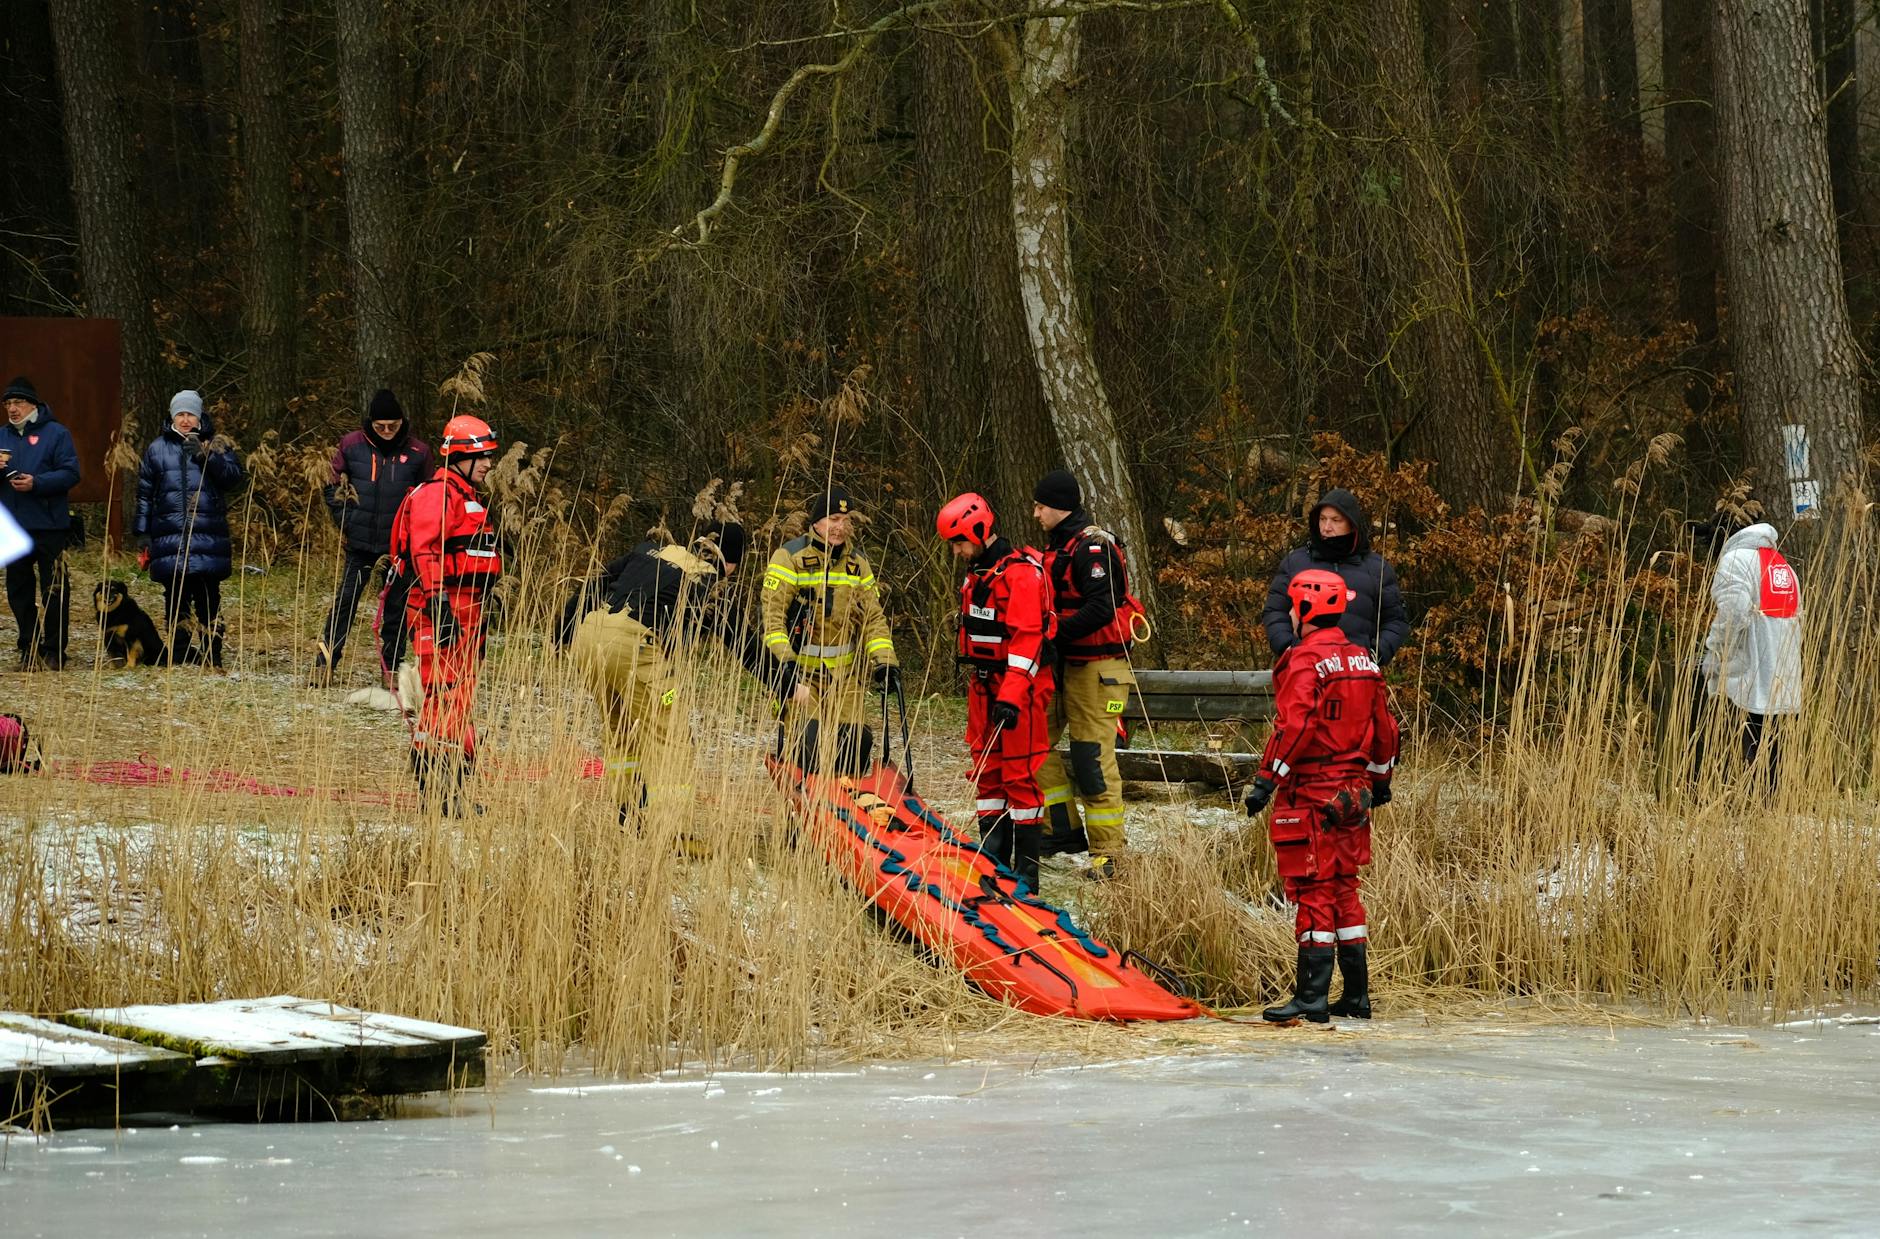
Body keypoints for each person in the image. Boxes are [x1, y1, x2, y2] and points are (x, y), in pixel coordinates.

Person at [1244, 569, 1400, 1024]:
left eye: (1294, 606)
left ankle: (1311, 998)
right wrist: (1380, 780)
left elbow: (1295, 725)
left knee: (1312, 890)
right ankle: (1355, 996)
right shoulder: (1365, 661)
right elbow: (1385, 730)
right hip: (1353, 794)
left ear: (1306, 609)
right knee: (1345, 890)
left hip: (1311, 792)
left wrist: (1266, 780)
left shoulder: (1304, 659)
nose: (1291, 613)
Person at [563, 520, 779, 834]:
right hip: (634, 648)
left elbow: (594, 585)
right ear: (730, 562)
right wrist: (784, 686)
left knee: (621, 729)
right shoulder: (708, 583)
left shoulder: (651, 551)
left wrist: (562, 632)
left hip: (589, 638)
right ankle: (672, 831)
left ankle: (629, 814)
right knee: (672, 741)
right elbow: (744, 645)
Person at [1030, 468, 1144, 881]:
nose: (1036, 512)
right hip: (1062, 665)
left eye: (1041, 505)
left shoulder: (1094, 549)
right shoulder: (1055, 547)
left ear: (1059, 506)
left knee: (1091, 757)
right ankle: (1061, 828)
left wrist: (1052, 631)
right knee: (1031, 740)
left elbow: (1100, 609)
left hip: (1100, 669)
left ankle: (1110, 850)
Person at [939, 492, 1056, 891]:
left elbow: (1027, 641)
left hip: (1016, 689)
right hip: (984, 684)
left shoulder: (1020, 574)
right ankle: (993, 864)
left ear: (977, 530)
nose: (956, 551)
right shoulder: (979, 573)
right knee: (987, 774)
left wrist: (1011, 695)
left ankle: (1026, 876)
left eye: (959, 542)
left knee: (1018, 776)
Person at [386, 413, 502, 810]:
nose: (488, 463)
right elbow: (425, 550)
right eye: (482, 456)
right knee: (444, 697)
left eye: (489, 455)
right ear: (460, 458)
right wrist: (438, 603)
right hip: (443, 615)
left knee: (457, 700)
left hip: (467, 615)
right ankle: (440, 793)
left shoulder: (465, 497)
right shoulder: (439, 494)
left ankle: (450, 791)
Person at [761, 484, 900, 775]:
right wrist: (785, 664)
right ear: (816, 521)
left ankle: (846, 814)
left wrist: (886, 662)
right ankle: (801, 816)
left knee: (855, 747)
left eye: (845, 521)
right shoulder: (789, 557)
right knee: (807, 749)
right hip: (802, 678)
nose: (840, 527)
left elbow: (873, 618)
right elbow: (773, 619)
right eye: (833, 519)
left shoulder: (857, 565)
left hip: (845, 679)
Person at [310, 389, 433, 686]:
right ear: (370, 423)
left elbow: (429, 496)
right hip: (360, 543)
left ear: (402, 422)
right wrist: (346, 520)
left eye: (393, 425)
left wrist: (414, 534)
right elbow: (331, 483)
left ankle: (390, 669)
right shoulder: (352, 445)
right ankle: (323, 665)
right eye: (381, 427)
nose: (388, 432)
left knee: (396, 609)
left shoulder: (419, 453)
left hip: (399, 548)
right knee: (345, 603)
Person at [133, 390, 246, 667]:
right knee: (175, 600)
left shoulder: (216, 445)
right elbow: (145, 493)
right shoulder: (157, 448)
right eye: (180, 415)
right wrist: (143, 532)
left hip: (208, 537)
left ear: (199, 416)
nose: (185, 421)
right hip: (170, 538)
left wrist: (207, 457)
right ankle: (181, 655)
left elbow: (235, 479)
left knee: (209, 599)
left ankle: (212, 655)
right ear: (173, 416)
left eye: (190, 414)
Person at [1697, 519, 1802, 784]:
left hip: (1748, 677)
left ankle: (1743, 809)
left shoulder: (1735, 560)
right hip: (1784, 678)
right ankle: (1770, 813)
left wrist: (1714, 653)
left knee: (1744, 746)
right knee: (1775, 755)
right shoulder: (1782, 564)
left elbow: (1734, 614)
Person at [1262, 488, 1409, 667]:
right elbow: (1274, 611)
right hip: (1304, 669)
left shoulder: (1377, 568)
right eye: (1322, 519)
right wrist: (1290, 650)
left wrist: (1373, 656)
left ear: (1351, 523)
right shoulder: (1295, 563)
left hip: (1357, 675)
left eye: (1335, 520)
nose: (1326, 527)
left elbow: (1396, 621)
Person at [1, 376, 80, 669]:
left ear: (33, 404)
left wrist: (37, 483)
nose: (12, 409)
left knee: (55, 590)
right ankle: (29, 649)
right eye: (8, 403)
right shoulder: (1, 436)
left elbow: (71, 473)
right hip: (12, 527)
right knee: (19, 591)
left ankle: (55, 650)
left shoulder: (56, 433)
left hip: (49, 525)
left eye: (18, 402)